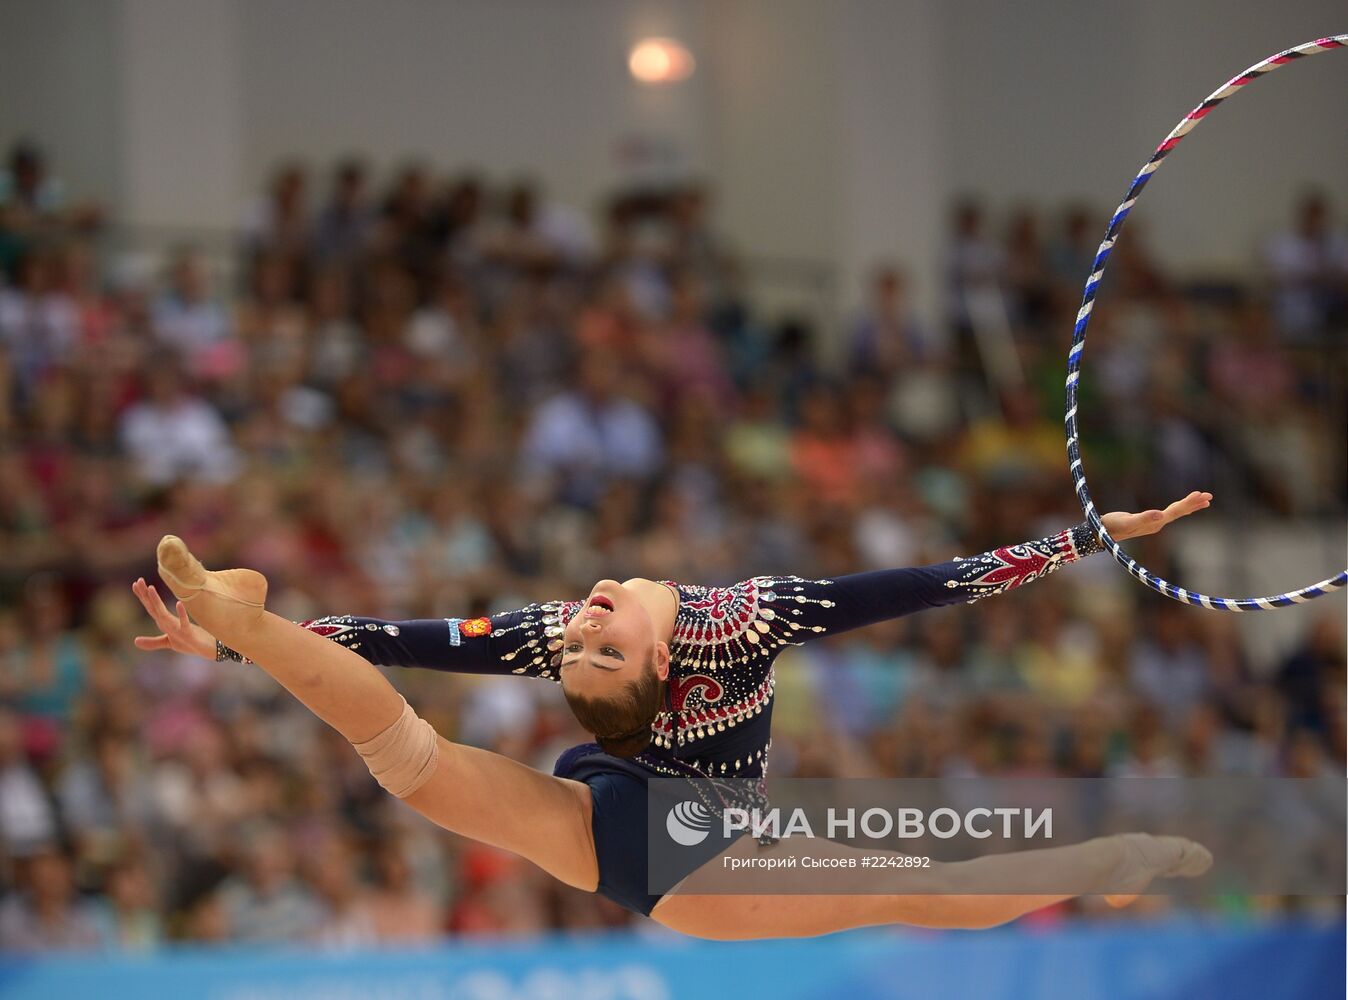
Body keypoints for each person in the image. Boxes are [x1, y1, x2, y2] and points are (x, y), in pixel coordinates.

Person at [134, 492, 1213, 938]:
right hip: (637, 826)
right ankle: (250, 616)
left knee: (405, 761)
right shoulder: (678, 625)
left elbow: (933, 580)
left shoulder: (728, 622)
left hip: (703, 849)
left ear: (660, 657)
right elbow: (393, 639)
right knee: (402, 748)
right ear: (649, 663)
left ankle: (1109, 855)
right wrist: (231, 643)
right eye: (595, 646)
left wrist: (1085, 536)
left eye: (590, 645)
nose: (589, 625)